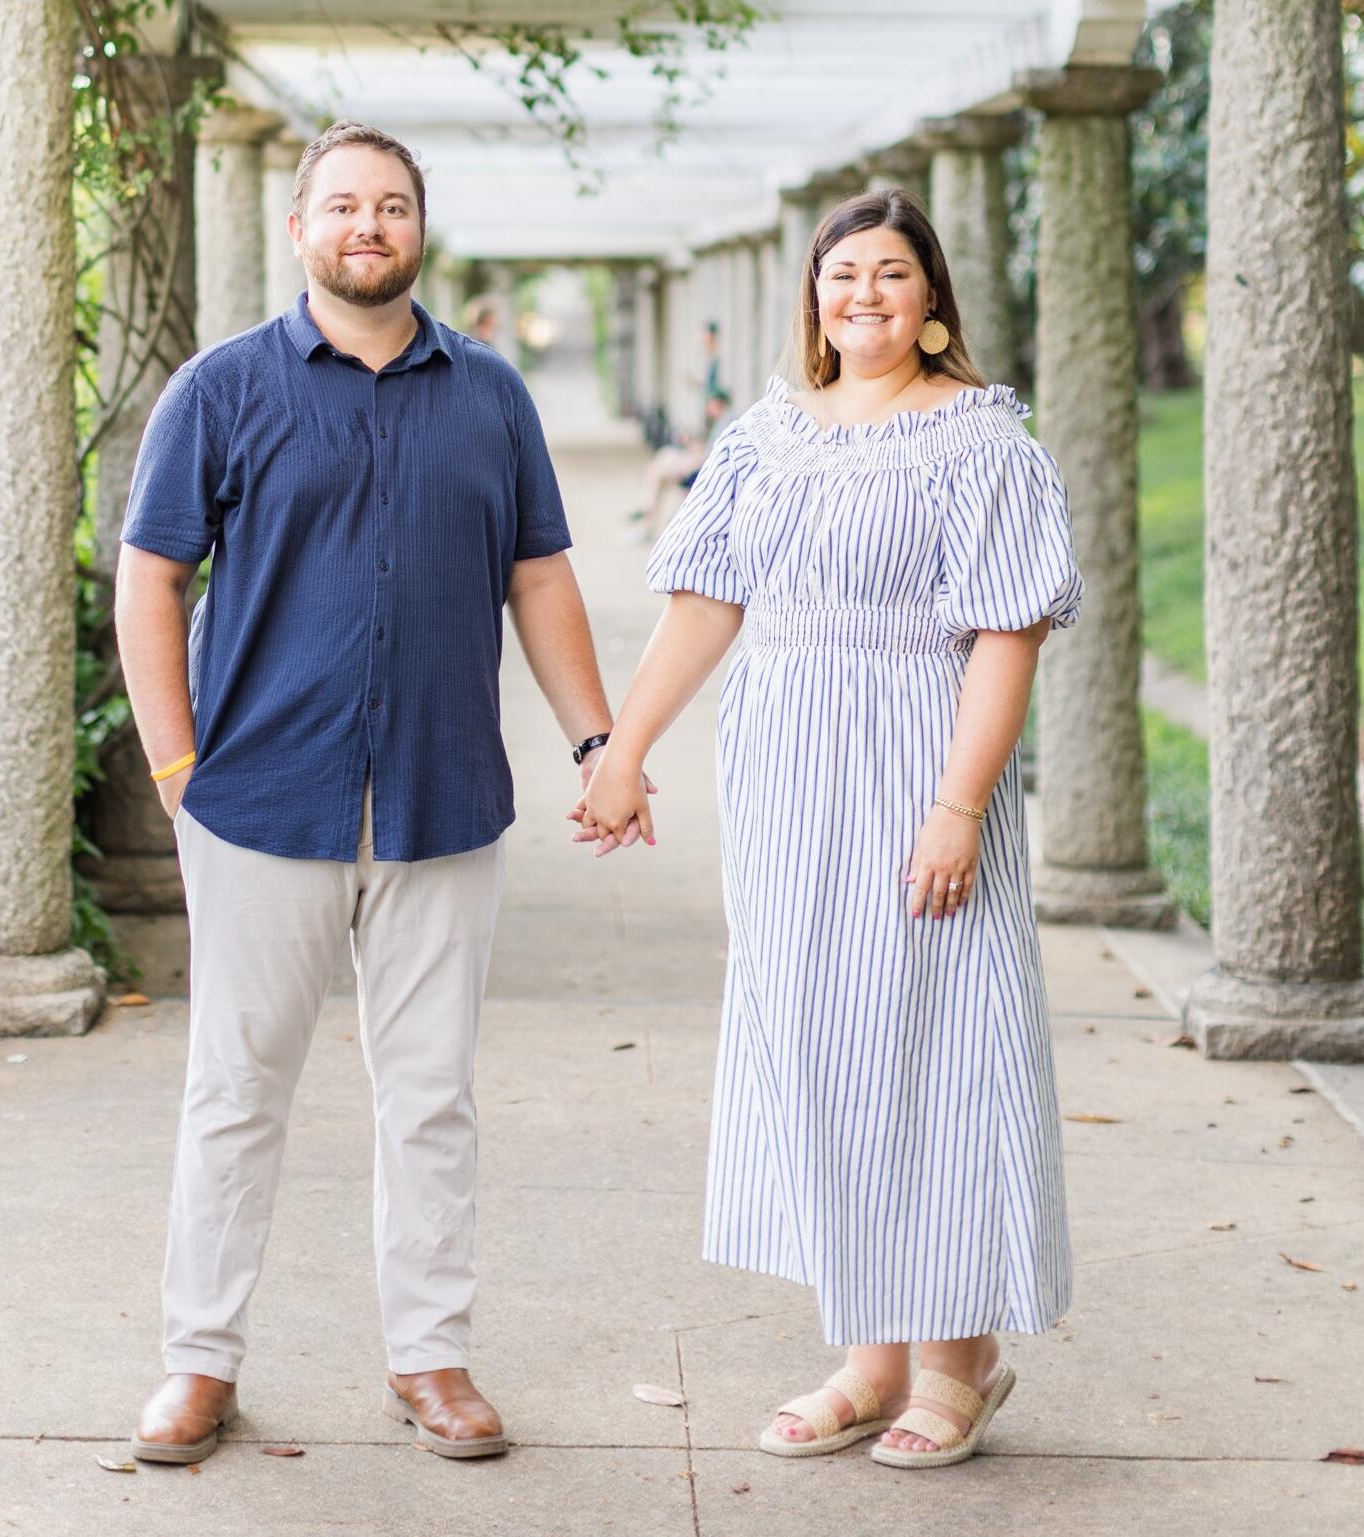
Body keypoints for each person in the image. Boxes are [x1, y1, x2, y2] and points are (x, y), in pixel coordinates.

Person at [115, 119, 633, 1465]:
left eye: (390, 204)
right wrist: (175, 767)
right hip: (257, 802)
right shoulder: (218, 391)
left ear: (419, 228)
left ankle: (431, 1356)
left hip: (441, 799)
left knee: (430, 1096)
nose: (366, 225)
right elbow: (150, 579)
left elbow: (539, 576)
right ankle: (197, 1362)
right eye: (340, 204)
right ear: (300, 230)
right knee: (235, 1091)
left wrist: (597, 743)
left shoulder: (492, 397)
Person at [574, 188, 1083, 1470]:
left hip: (919, 762)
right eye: (840, 273)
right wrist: (622, 752)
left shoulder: (980, 441)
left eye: (891, 273)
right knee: (813, 1037)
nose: (863, 293)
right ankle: (866, 1355)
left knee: (936, 1043)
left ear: (931, 302)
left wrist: (958, 806)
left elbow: (1004, 634)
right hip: (787, 777)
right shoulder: (764, 437)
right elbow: (702, 607)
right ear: (813, 297)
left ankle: (958, 1364)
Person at [626, 388, 732, 542]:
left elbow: (714, 452)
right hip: (702, 462)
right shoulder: (721, 422)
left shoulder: (726, 422)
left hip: (703, 466)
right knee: (662, 462)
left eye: (711, 403)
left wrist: (692, 447)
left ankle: (646, 515)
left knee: (660, 465)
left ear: (719, 404)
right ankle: (647, 518)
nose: (707, 407)